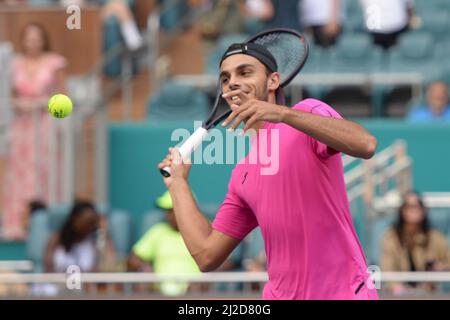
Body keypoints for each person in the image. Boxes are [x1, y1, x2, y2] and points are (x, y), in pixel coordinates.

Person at [158, 40, 379, 299]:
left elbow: (365, 144)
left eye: (245, 72)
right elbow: (207, 256)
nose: (233, 83)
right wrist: (179, 185)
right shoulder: (242, 175)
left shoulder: (306, 113)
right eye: (226, 78)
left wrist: (283, 114)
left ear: (273, 81)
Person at [1, 22, 66, 240]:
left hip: (45, 126)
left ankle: (44, 223)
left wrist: (42, 104)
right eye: (28, 38)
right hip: (21, 127)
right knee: (18, 174)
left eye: (36, 38)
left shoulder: (55, 63)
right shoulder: (15, 64)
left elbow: (63, 98)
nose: (33, 42)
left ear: (44, 39)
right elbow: (11, 95)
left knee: (43, 172)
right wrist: (18, 104)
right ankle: (17, 224)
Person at [127, 191, 211, 296]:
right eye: (167, 211)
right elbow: (132, 260)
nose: (169, 215)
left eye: (173, 210)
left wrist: (206, 278)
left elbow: (224, 261)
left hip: (195, 294)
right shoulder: (158, 231)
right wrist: (145, 269)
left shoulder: (203, 230)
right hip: (159, 294)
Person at [38, 201, 117, 295]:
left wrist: (105, 233)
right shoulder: (56, 240)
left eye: (92, 222)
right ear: (74, 219)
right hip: (56, 288)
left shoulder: (94, 243)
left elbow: (106, 267)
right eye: (87, 222)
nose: (90, 226)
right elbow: (48, 270)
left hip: (84, 290)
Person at [381, 191, 450, 295]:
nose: (413, 210)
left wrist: (441, 266)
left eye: (417, 206)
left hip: (429, 294)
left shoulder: (435, 238)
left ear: (424, 210)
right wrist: (398, 289)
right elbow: (387, 268)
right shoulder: (390, 238)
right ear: (402, 210)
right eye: (408, 206)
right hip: (398, 295)